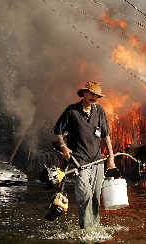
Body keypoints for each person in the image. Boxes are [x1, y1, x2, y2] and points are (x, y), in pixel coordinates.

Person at [54, 81, 115, 229]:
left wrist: (111, 158)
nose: (94, 97)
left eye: (97, 95)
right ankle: (86, 229)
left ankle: (94, 226)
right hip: (79, 162)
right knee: (85, 195)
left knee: (95, 197)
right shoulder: (72, 111)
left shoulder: (99, 111)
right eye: (92, 94)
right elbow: (58, 130)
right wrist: (64, 147)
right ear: (84, 93)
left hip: (97, 162)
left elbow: (106, 135)